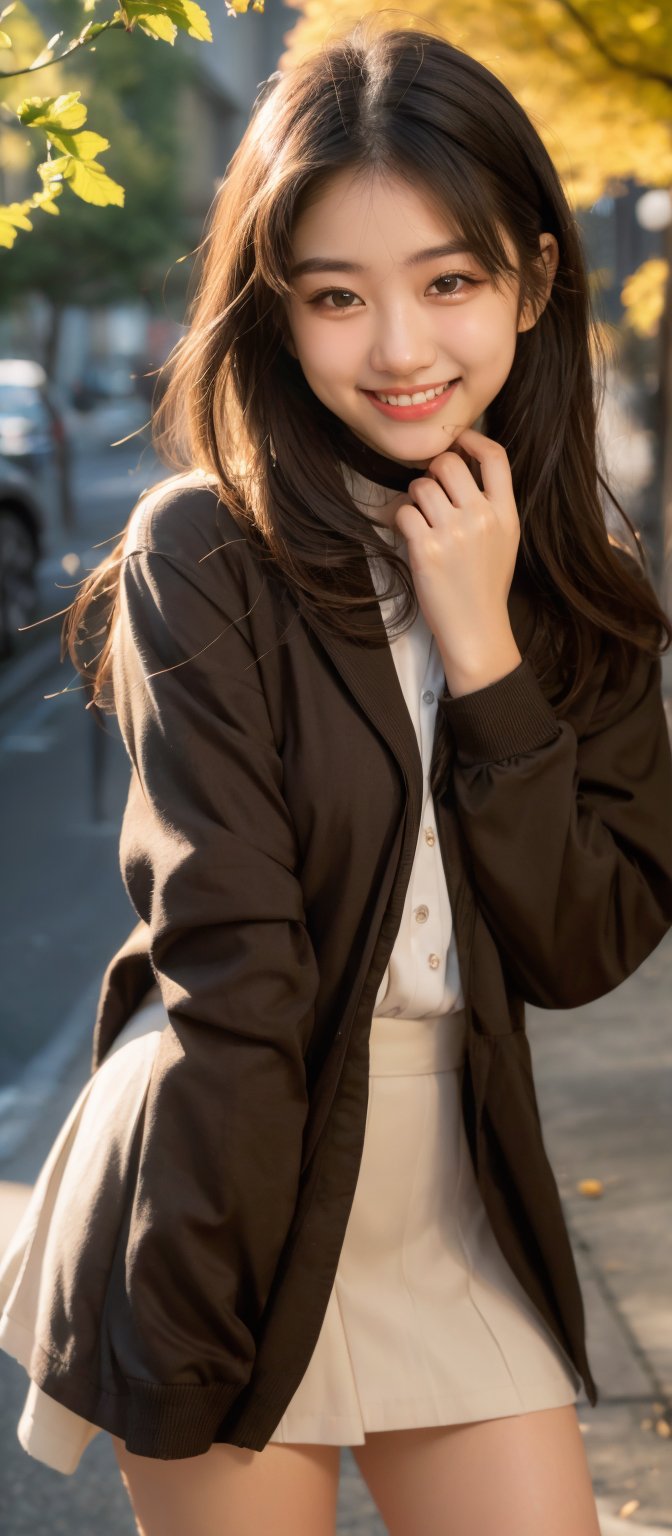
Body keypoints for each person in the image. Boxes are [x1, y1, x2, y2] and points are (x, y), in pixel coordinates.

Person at [2, 18, 672, 1536]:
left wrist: (486, 644)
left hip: (454, 1197)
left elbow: (581, 947)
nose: (399, 349)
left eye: (450, 281)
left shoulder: (579, 575)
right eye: (333, 296)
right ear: (273, 311)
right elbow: (234, 963)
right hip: (226, 1182)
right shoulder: (204, 551)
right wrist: (184, 1309)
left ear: (533, 280)